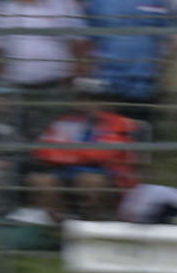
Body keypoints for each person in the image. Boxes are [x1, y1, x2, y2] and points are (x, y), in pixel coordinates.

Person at [0, 0, 83, 146]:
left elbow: (80, 45)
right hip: (16, 91)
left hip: (56, 88)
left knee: (57, 141)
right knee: (19, 141)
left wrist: (74, 80)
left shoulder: (64, 5)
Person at [25, 78, 142, 223]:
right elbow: (43, 150)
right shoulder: (65, 121)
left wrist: (66, 153)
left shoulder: (120, 122)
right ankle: (59, 226)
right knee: (41, 180)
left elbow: (103, 153)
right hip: (67, 172)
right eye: (82, 97)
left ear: (106, 101)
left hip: (111, 175)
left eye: (93, 98)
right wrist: (79, 155)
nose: (86, 102)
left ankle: (93, 224)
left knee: (89, 180)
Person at [82, 0, 165, 121]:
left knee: (141, 133)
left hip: (143, 84)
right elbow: (89, 37)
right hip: (108, 85)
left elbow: (167, 33)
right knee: (108, 136)